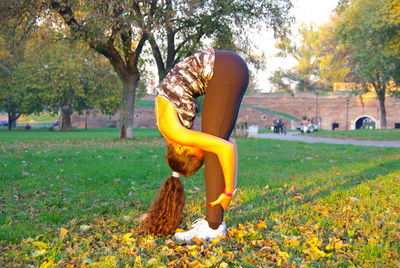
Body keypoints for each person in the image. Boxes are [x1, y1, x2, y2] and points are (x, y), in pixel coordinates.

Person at [140, 49, 249, 241]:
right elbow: (229, 143)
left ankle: (213, 227)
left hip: (224, 70)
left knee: (215, 148)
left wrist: (229, 191)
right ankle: (214, 223)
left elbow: (226, 148)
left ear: (182, 148)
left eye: (199, 155)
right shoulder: (167, 129)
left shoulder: (177, 133)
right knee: (216, 144)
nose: (199, 145)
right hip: (226, 68)